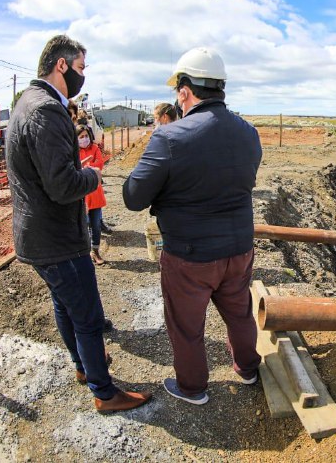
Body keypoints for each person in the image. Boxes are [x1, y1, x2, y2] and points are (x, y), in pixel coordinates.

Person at [6, 34, 150, 412]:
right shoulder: (46, 111)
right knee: (86, 314)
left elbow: (47, 174)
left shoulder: (27, 104)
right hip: (56, 238)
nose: (84, 76)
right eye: (82, 68)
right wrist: (92, 177)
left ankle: (84, 367)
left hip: (37, 236)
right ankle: (105, 392)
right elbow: (61, 184)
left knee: (64, 305)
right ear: (62, 65)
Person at [123, 47, 262, 405]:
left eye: (177, 92)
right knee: (239, 312)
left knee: (186, 326)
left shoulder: (170, 138)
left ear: (185, 90)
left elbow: (133, 197)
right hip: (239, 249)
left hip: (190, 256)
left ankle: (192, 388)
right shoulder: (249, 134)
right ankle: (248, 368)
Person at [145, 103, 180, 262]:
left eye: (155, 118)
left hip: (166, 197)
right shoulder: (186, 131)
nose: (155, 122)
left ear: (164, 117)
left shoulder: (160, 136)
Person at [77, 124, 107, 265]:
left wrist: (84, 168)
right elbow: (71, 169)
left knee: (95, 224)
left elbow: (99, 165)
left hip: (95, 193)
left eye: (86, 136)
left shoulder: (95, 148)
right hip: (80, 196)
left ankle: (95, 251)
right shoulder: (72, 151)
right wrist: (89, 168)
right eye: (81, 137)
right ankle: (84, 253)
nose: (84, 139)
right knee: (84, 225)